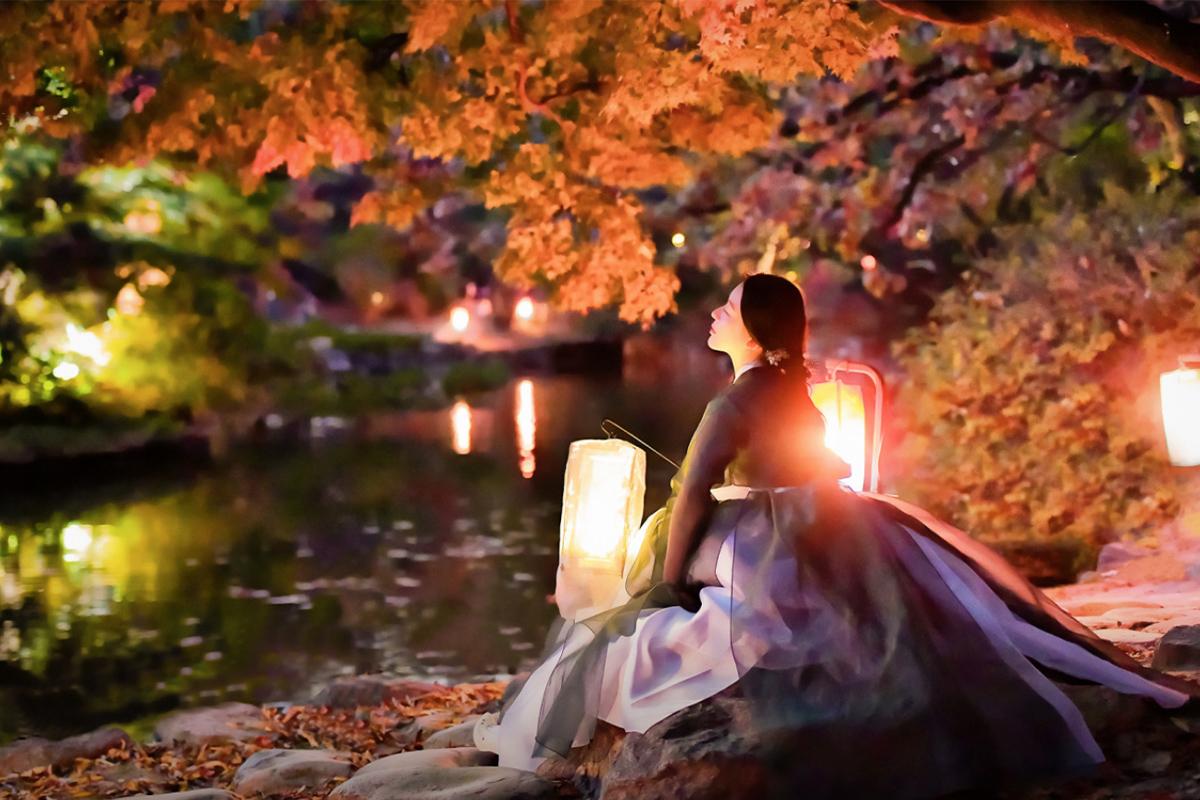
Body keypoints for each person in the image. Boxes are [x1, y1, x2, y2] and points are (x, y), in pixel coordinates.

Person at [478, 273, 1197, 798]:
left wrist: (671, 576)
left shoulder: (736, 399)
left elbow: (693, 489)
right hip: (824, 520)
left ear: (751, 329)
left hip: (764, 534)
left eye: (727, 307)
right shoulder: (793, 388)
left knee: (628, 635)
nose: (715, 314)